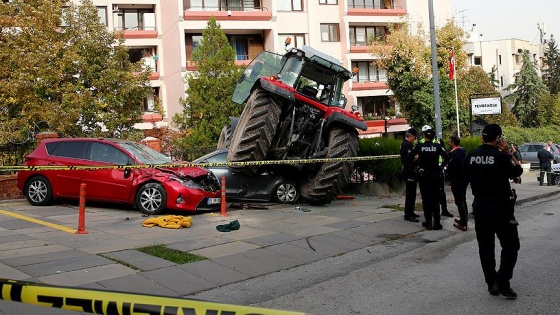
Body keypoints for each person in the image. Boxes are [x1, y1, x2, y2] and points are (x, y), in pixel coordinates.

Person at [463, 123, 523, 299]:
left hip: (480, 207)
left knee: (486, 247)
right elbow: (517, 171)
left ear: (482, 137)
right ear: (498, 139)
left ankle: (491, 284)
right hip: (501, 208)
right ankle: (503, 281)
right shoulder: (501, 157)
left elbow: (462, 178)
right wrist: (509, 153)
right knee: (511, 245)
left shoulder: (471, 156)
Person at [407, 127, 449, 230]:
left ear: (424, 136)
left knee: (426, 199)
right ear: (433, 136)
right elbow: (447, 158)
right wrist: (441, 167)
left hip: (424, 175)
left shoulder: (419, 146)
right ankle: (437, 223)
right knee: (435, 199)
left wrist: (416, 166)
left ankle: (428, 222)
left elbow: (409, 157)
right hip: (435, 175)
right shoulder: (438, 146)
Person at [420, 125, 454, 218]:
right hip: (431, 170)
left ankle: (443, 210)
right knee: (429, 194)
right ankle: (431, 212)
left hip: (436, 169)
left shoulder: (438, 141)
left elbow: (445, 154)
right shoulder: (420, 143)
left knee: (440, 192)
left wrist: (442, 166)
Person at [446, 135, 468, 231]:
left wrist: (449, 179)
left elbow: (450, 169)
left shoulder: (453, 154)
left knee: (459, 201)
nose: (449, 142)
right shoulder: (463, 152)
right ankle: (464, 219)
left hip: (456, 180)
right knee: (463, 199)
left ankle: (463, 224)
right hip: (464, 179)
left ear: (453, 142)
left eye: (450, 141)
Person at [400, 128, 420, 222]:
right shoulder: (406, 145)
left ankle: (411, 211)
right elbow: (410, 158)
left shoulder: (408, 144)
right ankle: (408, 214)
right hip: (409, 172)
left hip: (411, 172)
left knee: (412, 193)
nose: (415, 139)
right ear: (411, 136)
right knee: (410, 194)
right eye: (414, 137)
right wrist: (417, 157)